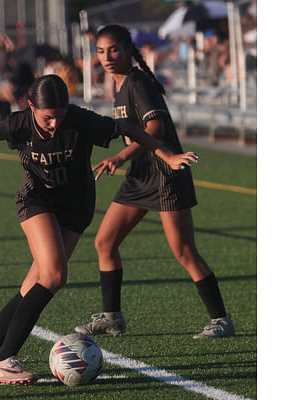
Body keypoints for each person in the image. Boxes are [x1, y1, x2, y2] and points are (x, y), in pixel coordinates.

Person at [0, 75, 198, 384]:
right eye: (48, 117)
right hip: (36, 202)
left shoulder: (81, 120)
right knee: (55, 276)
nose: (55, 123)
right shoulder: (20, 124)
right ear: (31, 106)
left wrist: (167, 154)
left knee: (35, 285)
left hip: (76, 208)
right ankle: (5, 359)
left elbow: (129, 129)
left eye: (60, 115)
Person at [73, 24, 234, 340]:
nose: (106, 56)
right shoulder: (119, 84)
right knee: (104, 242)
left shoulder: (137, 82)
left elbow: (155, 129)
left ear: (129, 51)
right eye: (101, 51)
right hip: (139, 177)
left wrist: (120, 157)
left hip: (165, 175)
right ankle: (112, 318)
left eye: (114, 50)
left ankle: (221, 320)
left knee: (184, 251)